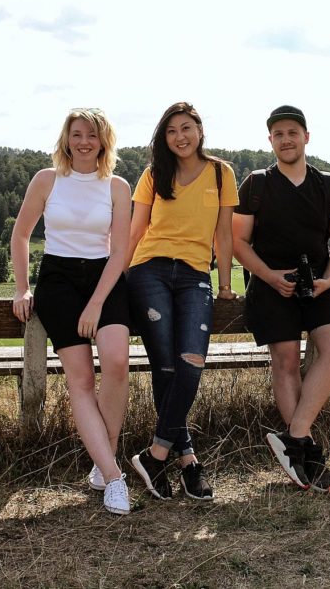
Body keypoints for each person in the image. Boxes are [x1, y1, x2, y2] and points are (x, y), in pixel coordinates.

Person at [10, 107, 133, 515]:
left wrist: (97, 302)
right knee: (80, 380)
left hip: (104, 279)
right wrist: (23, 289)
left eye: (92, 136)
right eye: (77, 134)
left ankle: (105, 459)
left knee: (116, 363)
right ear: (67, 138)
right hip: (58, 281)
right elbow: (22, 234)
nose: (84, 142)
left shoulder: (116, 186)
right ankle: (114, 478)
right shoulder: (47, 180)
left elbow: (120, 252)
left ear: (103, 142)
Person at [232, 105, 330, 493]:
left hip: (318, 281)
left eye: (292, 133)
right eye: (278, 134)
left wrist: (329, 278)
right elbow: (238, 242)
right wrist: (268, 276)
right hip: (271, 283)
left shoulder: (328, 184)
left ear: (306, 137)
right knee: (284, 359)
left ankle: (296, 436)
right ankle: (306, 455)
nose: (286, 139)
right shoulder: (256, 183)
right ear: (270, 141)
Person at [126, 101, 238, 501]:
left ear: (200, 130)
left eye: (186, 127)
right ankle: (188, 461)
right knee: (168, 366)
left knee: (191, 363)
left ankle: (156, 455)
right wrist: (115, 281)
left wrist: (225, 285)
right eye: (172, 130)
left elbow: (224, 234)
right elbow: (136, 231)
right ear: (164, 137)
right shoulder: (154, 174)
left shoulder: (222, 173)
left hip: (194, 276)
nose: (180, 136)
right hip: (149, 271)